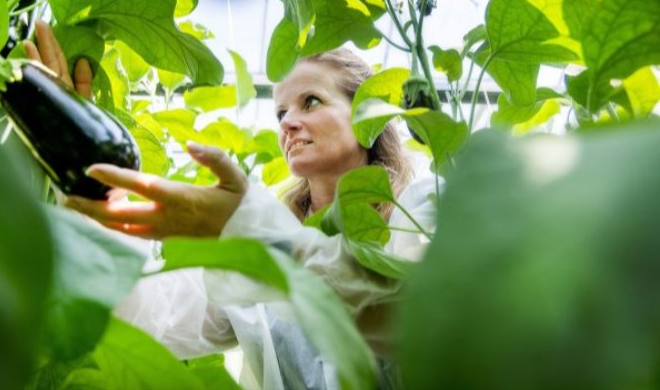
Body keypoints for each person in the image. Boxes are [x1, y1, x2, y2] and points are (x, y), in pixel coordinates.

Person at [26, 21, 437, 389]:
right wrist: (84, 164)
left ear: (367, 111)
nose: (288, 123)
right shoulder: (249, 247)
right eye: (280, 112)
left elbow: (417, 323)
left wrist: (247, 227)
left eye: (310, 101)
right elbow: (154, 313)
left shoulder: (421, 209)